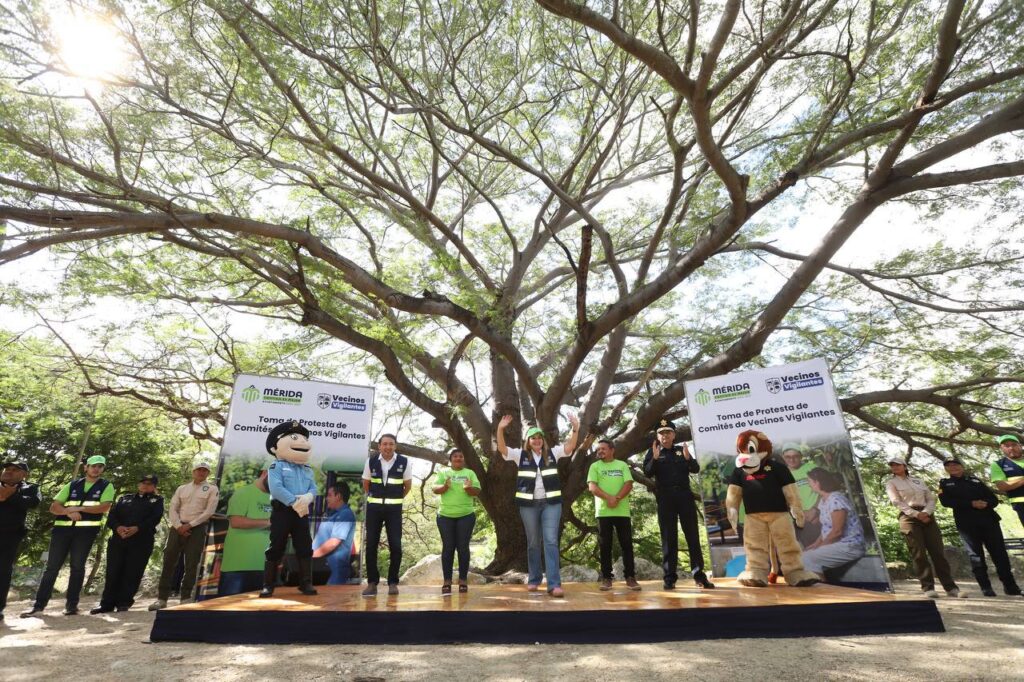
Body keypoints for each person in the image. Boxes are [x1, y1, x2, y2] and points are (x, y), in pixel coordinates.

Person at [496, 414, 579, 598]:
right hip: (529, 505)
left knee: (550, 541)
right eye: (533, 438)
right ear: (528, 441)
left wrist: (575, 429)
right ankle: (534, 579)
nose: (537, 440)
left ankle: (554, 584)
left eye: (539, 437)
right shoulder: (520, 455)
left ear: (543, 440)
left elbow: (570, 446)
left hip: (551, 504)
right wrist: (500, 429)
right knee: (533, 543)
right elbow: (502, 448)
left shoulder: (553, 453)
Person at [22, 455, 114, 617]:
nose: (96, 469)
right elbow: (54, 507)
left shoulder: (107, 485)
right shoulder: (72, 485)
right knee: (51, 568)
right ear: (86, 467)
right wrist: (67, 512)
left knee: (77, 568)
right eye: (93, 466)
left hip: (85, 533)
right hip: (61, 532)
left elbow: (104, 507)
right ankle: (38, 606)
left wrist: (79, 509)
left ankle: (71, 606)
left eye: (100, 466)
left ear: (102, 469)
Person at [642, 418, 714, 590]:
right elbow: (647, 473)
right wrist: (655, 460)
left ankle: (699, 576)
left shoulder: (682, 451)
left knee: (692, 536)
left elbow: (695, 469)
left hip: (685, 497)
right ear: (657, 437)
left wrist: (689, 459)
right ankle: (669, 578)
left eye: (668, 432)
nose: (665, 436)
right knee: (669, 538)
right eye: (661, 433)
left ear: (674, 435)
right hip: (665, 498)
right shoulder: (653, 452)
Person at [939, 458, 1022, 597]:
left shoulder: (975, 481)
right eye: (949, 465)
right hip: (967, 524)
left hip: (989, 521)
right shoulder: (945, 484)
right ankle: (986, 587)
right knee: (976, 555)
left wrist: (985, 504)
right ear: (946, 469)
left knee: (1000, 554)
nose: (953, 467)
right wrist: (971, 503)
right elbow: (946, 502)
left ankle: (1010, 586)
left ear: (962, 466)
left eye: (955, 464)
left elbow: (993, 499)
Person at [885, 456, 965, 599]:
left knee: (938, 552)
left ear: (904, 466)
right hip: (909, 517)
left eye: (897, 465)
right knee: (919, 554)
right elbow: (896, 501)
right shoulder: (891, 483)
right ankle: (928, 587)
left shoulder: (918, 481)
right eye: (892, 466)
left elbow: (930, 498)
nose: (895, 467)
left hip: (927, 517)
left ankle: (951, 588)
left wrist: (926, 512)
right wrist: (916, 514)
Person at [148, 458, 219, 610]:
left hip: (197, 528)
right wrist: (179, 526)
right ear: (193, 472)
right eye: (199, 469)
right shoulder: (182, 488)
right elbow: (173, 508)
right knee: (168, 561)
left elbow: (209, 512)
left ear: (208, 473)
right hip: (177, 527)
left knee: (192, 563)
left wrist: (190, 525)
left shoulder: (212, 489)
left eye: (204, 470)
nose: (201, 472)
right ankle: (162, 599)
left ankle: (185, 598)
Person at [261, 420, 318, 598]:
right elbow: (276, 488)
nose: (301, 442)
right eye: (295, 438)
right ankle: (268, 585)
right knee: (276, 545)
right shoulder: (276, 466)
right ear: (275, 447)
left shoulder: (307, 469)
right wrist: (295, 502)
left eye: (303, 438)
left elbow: (313, 488)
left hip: (301, 514)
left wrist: (309, 497)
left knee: (305, 545)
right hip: (283, 511)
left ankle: (306, 583)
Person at [92, 474, 164, 613]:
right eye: (143, 482)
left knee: (132, 572)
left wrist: (138, 528)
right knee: (113, 571)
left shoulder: (157, 501)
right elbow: (112, 516)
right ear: (139, 484)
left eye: (149, 484)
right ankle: (106, 604)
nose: (145, 486)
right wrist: (118, 527)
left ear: (154, 487)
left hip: (141, 541)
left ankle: (123, 603)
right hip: (119, 540)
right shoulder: (124, 498)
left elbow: (155, 518)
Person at [361, 433, 411, 597]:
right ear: (379, 446)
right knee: (371, 545)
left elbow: (407, 486)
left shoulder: (404, 462)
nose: (388, 447)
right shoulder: (371, 461)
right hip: (374, 509)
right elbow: (366, 484)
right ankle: (372, 583)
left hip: (394, 510)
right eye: (385, 444)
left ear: (395, 446)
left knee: (396, 546)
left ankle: (392, 582)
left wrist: (394, 498)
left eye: (391, 444)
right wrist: (376, 498)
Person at [587, 439, 641, 592]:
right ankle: (606, 578)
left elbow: (628, 484)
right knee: (605, 545)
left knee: (626, 545)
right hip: (603, 513)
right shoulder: (595, 466)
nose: (600, 451)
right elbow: (592, 487)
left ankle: (630, 577)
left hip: (622, 512)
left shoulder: (622, 465)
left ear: (612, 450)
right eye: (598, 449)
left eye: (603, 448)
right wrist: (608, 498)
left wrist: (616, 498)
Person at [431, 448, 481, 595]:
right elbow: (435, 489)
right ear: (450, 459)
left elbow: (477, 491)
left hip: (466, 515)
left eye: (460, 456)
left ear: (463, 459)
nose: (458, 458)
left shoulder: (470, 473)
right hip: (445, 516)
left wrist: (468, 488)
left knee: (463, 548)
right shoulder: (443, 472)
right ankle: (447, 581)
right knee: (448, 548)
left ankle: (463, 580)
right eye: (455, 456)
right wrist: (445, 486)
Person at [800, 468, 866, 579]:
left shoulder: (836, 499)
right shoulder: (823, 500)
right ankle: (818, 588)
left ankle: (822, 591)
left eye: (809, 481)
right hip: (838, 544)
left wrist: (820, 546)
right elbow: (826, 528)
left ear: (817, 482)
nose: (809, 484)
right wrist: (815, 544)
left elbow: (837, 531)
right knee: (804, 555)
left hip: (850, 545)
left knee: (807, 558)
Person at [218, 469, 272, 596]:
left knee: (259, 613)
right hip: (237, 567)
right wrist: (269, 522)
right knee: (228, 612)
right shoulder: (243, 493)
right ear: (264, 473)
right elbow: (236, 522)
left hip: (265, 567)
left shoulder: (277, 499)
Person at [0, 461, 41, 622]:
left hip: (10, 537)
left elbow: (32, 503)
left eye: (14, 470)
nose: (8, 471)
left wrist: (9, 496)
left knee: (2, 571)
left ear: (24, 474)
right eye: (6, 468)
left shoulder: (31, 488)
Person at [312, 480, 357, 585]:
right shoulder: (332, 514)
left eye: (329, 495)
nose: (327, 498)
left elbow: (334, 542)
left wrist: (312, 556)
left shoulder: (345, 514)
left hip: (335, 573)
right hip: (324, 570)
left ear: (338, 496)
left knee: (332, 601)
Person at [780, 443, 821, 546]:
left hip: (816, 516)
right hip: (796, 520)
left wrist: (815, 510)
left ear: (801, 456)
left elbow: (824, 491)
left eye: (795, 456)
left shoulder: (812, 468)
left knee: (820, 547)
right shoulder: (781, 474)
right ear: (783, 457)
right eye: (788, 457)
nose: (792, 460)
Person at [990, 434, 1024, 526]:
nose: (1011, 448)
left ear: (1020, 446)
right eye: (1007, 446)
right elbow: (1002, 486)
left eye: (1014, 444)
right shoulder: (998, 464)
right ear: (1002, 448)